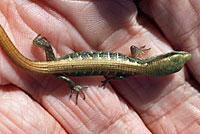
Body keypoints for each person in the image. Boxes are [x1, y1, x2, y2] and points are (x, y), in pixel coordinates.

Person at [0, 0, 199, 133]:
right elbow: (114, 77)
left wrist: (74, 85)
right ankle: (45, 50)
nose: (182, 55)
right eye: (176, 55)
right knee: (57, 69)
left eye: (175, 57)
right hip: (64, 69)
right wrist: (97, 81)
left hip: (64, 66)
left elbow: (131, 51)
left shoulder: (136, 60)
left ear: (159, 60)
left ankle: (42, 46)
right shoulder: (128, 73)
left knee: (55, 65)